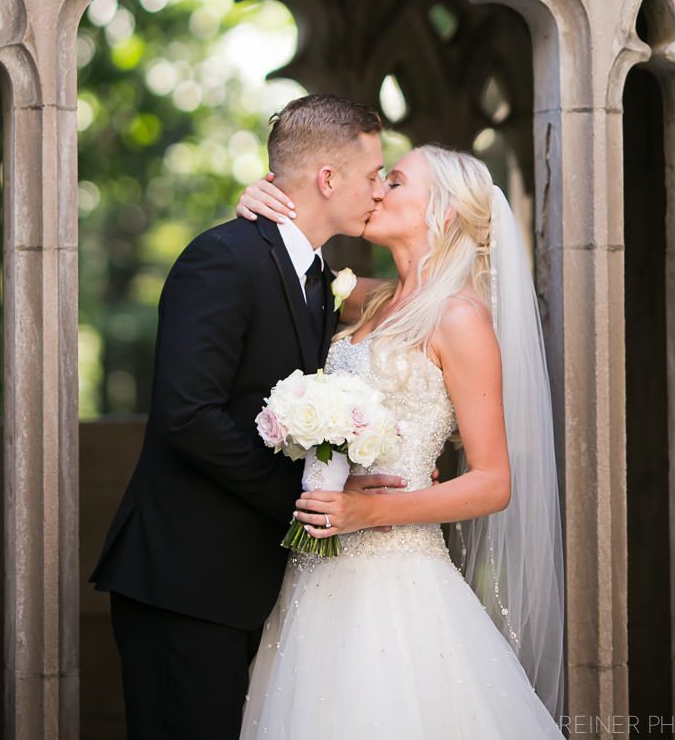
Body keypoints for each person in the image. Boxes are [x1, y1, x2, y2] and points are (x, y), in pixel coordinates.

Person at [90, 94, 411, 740]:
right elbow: (188, 416)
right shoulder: (223, 260)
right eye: (374, 173)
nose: (380, 189)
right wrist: (303, 499)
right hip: (182, 582)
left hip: (242, 586)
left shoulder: (317, 281)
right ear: (327, 179)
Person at [234, 143, 566, 739]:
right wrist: (263, 202)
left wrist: (367, 509)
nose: (377, 190)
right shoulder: (368, 297)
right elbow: (291, 259)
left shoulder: (460, 318)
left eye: (395, 180)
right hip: (311, 575)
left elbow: (492, 483)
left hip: (395, 577)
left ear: (441, 212)